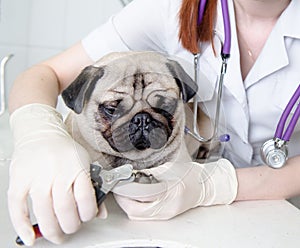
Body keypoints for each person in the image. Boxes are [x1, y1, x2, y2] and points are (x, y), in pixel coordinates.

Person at [7, 0, 300, 245]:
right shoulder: (169, 7)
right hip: (188, 199)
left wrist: (215, 185)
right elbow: (46, 74)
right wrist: (38, 132)